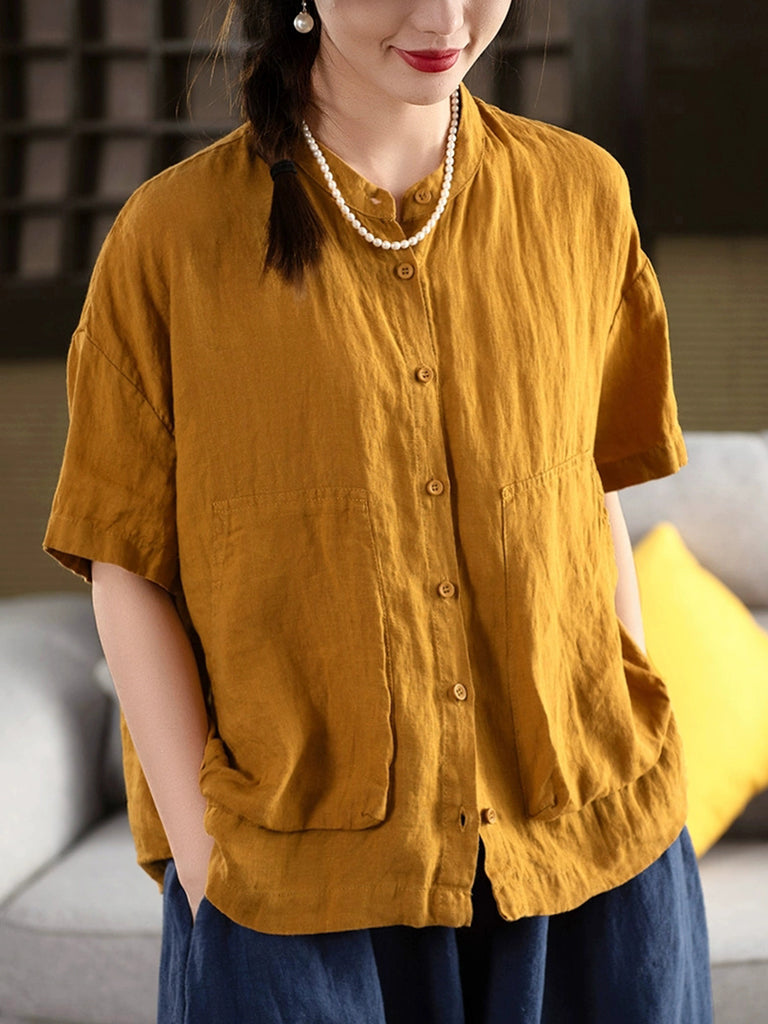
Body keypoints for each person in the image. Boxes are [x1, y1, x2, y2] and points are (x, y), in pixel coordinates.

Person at [42, 1, 714, 1021]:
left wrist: (620, 732)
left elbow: (589, 499)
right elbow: (124, 562)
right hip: (294, 890)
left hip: (592, 855)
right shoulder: (170, 240)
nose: (443, 17)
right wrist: (208, 862)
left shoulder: (582, 195)